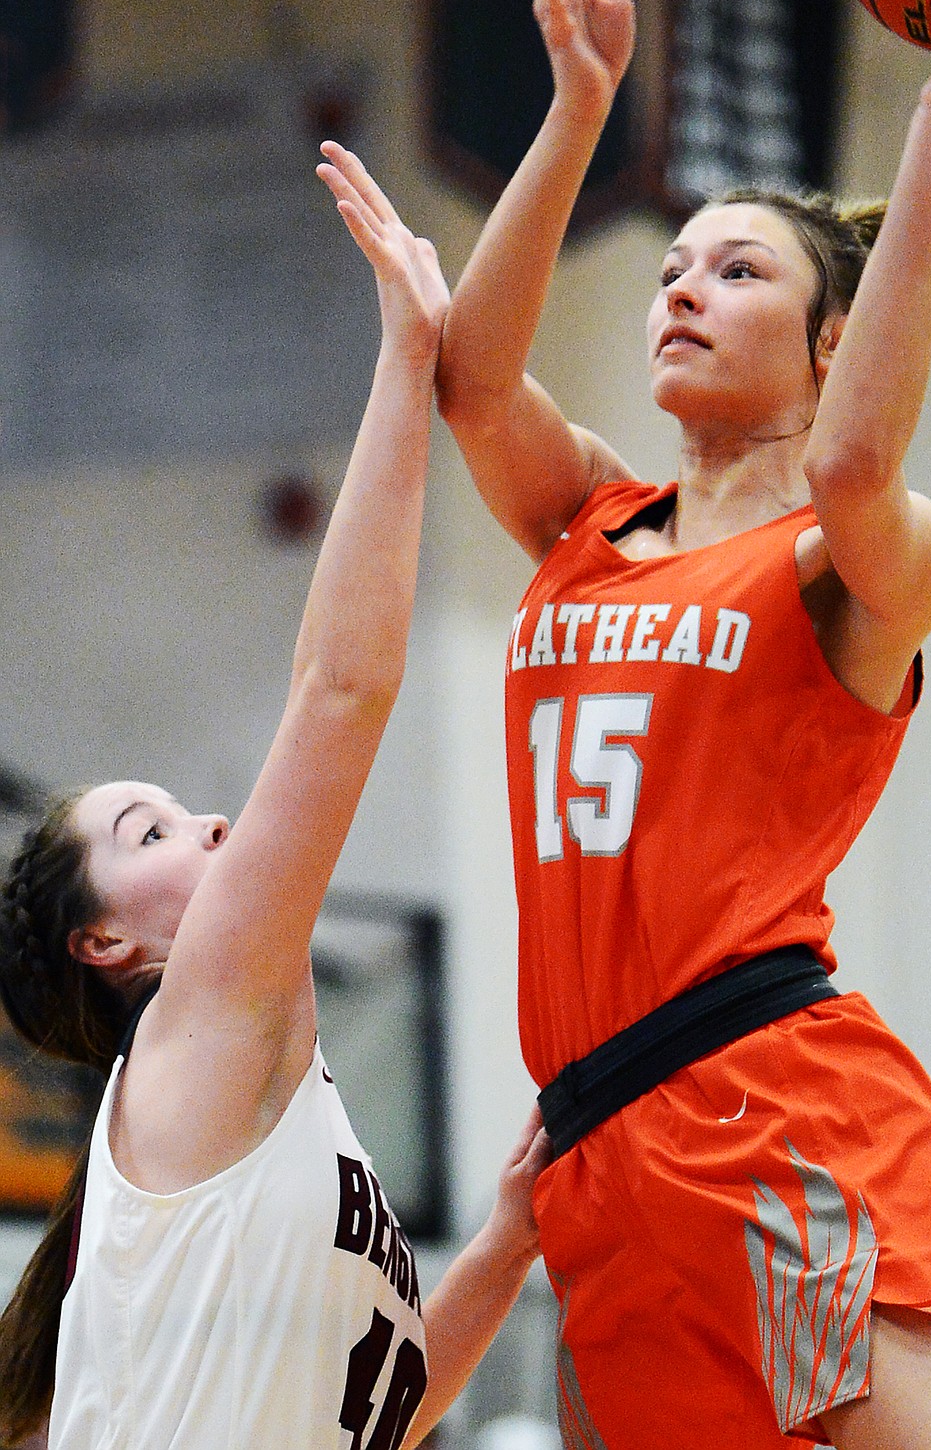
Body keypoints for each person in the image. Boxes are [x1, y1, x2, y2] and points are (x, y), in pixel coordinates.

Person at [330, 0, 931, 1449]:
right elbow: (471, 383)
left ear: (830, 343)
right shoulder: (589, 519)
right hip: (599, 1146)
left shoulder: (849, 557)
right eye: (676, 266)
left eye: (739, 268)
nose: (683, 288)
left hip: (775, 1111)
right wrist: (575, 107)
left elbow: (851, 466)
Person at [0, 173, 551, 1450]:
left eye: (181, 808)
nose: (206, 824)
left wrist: (511, 1237)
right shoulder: (197, 1024)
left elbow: (388, 1410)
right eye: (150, 832)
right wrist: (404, 360)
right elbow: (344, 687)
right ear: (108, 945)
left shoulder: (282, 1114)